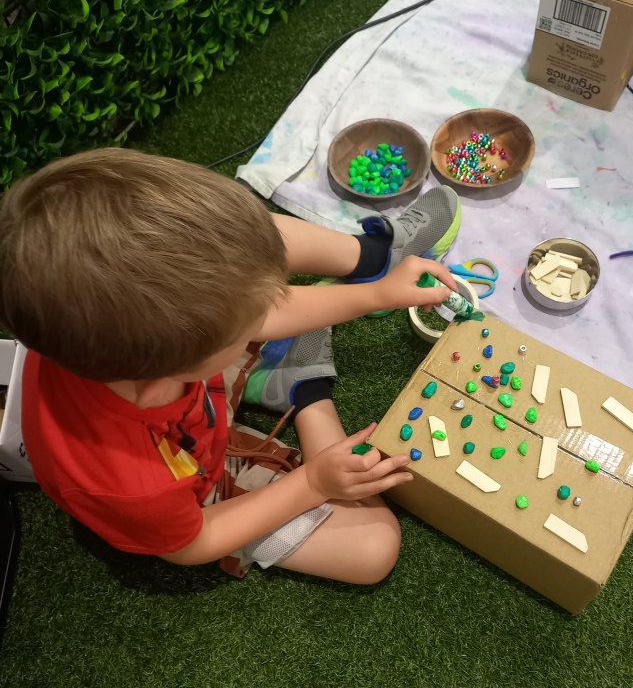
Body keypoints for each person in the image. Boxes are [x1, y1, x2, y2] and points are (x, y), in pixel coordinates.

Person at [0, 148, 461, 584]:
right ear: (178, 367)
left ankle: (370, 256)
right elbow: (193, 543)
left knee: (247, 248)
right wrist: (313, 482)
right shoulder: (133, 483)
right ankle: (304, 391)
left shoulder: (107, 334)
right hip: (196, 486)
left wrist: (375, 293)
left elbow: (237, 301)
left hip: (189, 384)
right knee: (372, 548)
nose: (269, 312)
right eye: (251, 327)